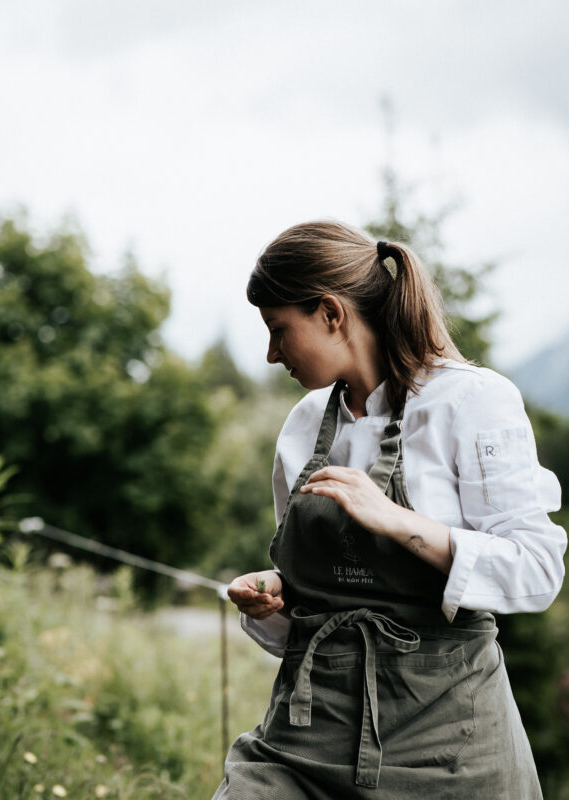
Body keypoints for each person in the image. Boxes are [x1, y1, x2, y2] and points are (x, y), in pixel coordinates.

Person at [213, 221, 566, 799]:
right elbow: (318, 596)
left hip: (450, 744)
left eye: (280, 329)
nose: (272, 353)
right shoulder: (303, 425)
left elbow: (537, 572)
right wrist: (276, 593)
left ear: (331, 313)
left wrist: (402, 522)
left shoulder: (472, 402)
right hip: (306, 738)